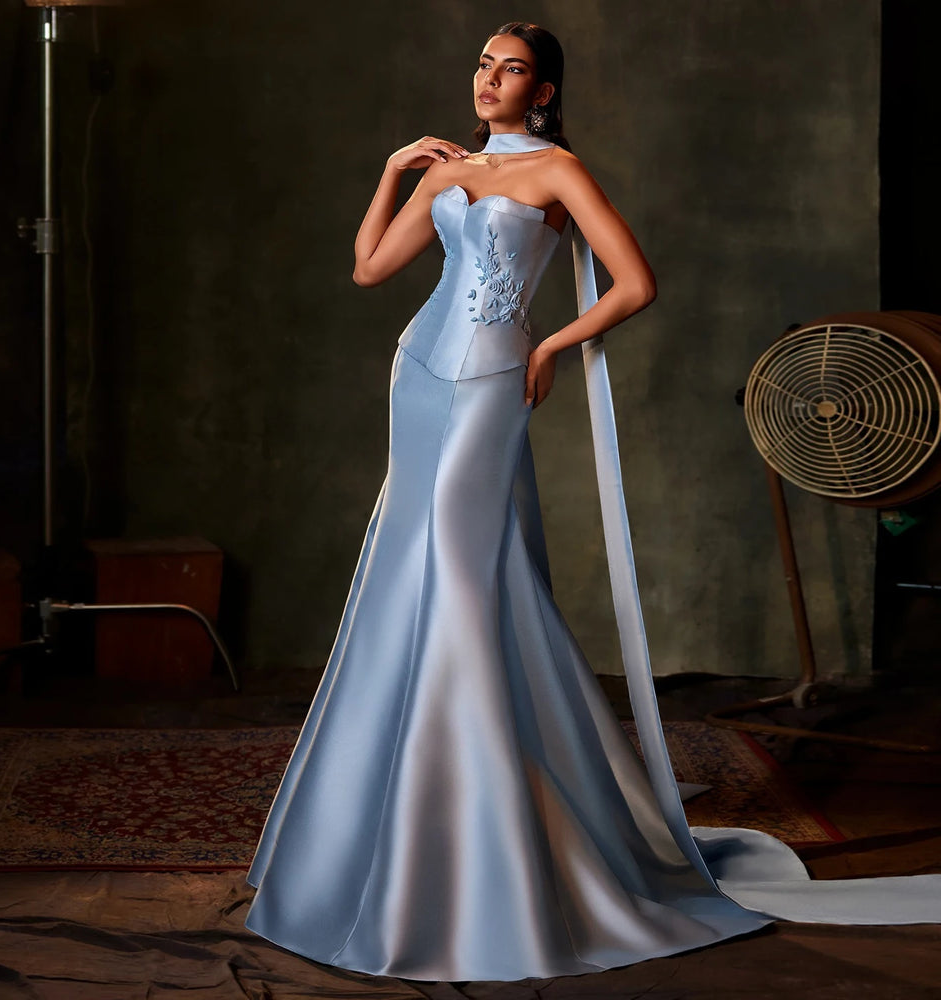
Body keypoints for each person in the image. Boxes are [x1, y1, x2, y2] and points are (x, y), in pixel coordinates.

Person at [245, 21, 941, 982]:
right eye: (484, 64)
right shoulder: (445, 176)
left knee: (460, 575)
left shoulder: (559, 175)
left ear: (544, 89)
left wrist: (547, 347)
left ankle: (478, 840)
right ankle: (405, 825)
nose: (491, 80)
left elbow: (636, 284)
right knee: (406, 579)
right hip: (415, 378)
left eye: (512, 69)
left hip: (492, 382)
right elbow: (369, 268)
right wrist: (395, 169)